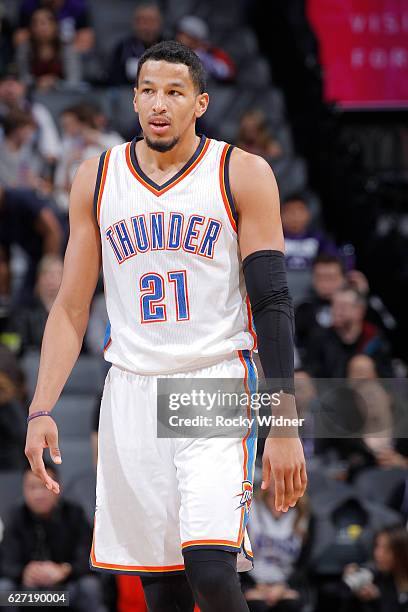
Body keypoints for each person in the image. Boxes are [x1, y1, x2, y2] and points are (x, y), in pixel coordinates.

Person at [24, 40, 307, 612]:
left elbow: (274, 303)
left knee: (210, 569)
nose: (159, 103)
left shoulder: (242, 173)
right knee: (164, 591)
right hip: (131, 386)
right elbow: (72, 306)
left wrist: (285, 425)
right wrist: (41, 408)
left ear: (199, 103)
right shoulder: (97, 177)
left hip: (215, 380)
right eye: (148, 90)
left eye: (175, 92)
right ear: (133, 99)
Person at [0, 463, 106, 612]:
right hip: (28, 592)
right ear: (24, 490)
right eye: (32, 487)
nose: (39, 494)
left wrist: (64, 570)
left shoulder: (74, 514)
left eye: (45, 486)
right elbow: (6, 562)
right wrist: (25, 572)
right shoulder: (16, 516)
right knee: (4, 590)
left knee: (90, 587)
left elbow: (88, 557)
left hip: (66, 590)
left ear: (57, 487)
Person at [241, 488, 314, 611]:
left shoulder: (303, 514)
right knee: (256, 604)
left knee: (290, 603)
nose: (279, 480)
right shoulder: (249, 508)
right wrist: (254, 585)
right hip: (251, 579)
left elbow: (305, 561)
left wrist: (285, 586)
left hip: (286, 581)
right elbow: (237, 554)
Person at [304, 287, 394, 377]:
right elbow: (312, 372)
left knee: (361, 364)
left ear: (359, 311)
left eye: (343, 306)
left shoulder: (374, 338)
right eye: (334, 305)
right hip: (330, 389)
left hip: (364, 389)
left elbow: (387, 376)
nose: (337, 310)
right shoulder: (321, 337)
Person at [0, 186, 63, 305]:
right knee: (24, 300)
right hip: (35, 257)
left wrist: (46, 272)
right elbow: (4, 259)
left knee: (53, 291)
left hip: (59, 247)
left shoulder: (20, 198)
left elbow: (53, 231)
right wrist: (5, 294)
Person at [0, 67, 61, 164]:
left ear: (23, 87)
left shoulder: (37, 112)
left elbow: (51, 152)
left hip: (29, 169)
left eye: (14, 84)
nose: (9, 89)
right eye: (5, 84)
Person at [343, 526, 408, 611]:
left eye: (387, 549)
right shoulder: (379, 577)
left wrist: (378, 600)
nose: (378, 554)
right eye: (377, 546)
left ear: (402, 552)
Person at [15, 7, 81, 90]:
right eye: (35, 24)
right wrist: (37, 82)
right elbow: (22, 78)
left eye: (44, 23)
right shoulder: (24, 48)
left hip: (63, 96)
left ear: (55, 26)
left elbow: (74, 80)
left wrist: (55, 83)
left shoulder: (66, 48)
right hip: (33, 95)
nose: (40, 28)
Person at [108, 2, 163, 86]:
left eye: (152, 21)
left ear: (159, 23)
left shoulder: (170, 48)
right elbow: (114, 79)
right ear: (135, 23)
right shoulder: (123, 47)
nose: (147, 27)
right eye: (143, 21)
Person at [16, 0, 94, 54]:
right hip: (37, 53)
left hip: (66, 53)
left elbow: (86, 39)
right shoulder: (29, 5)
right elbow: (19, 37)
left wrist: (64, 50)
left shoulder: (76, 6)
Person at [176, 15, 236, 82]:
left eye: (185, 35)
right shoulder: (173, 48)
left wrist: (204, 59)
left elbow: (226, 73)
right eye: (180, 34)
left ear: (195, 39)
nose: (180, 38)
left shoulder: (208, 55)